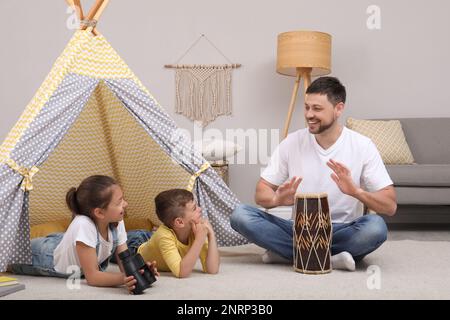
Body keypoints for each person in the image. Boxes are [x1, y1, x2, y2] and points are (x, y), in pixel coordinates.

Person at [230, 76, 397, 271]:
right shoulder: (292, 142)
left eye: (317, 109)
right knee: (240, 215)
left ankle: (290, 254)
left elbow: (390, 206)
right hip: (298, 229)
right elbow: (261, 193)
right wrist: (277, 199)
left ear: (338, 108)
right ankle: (332, 258)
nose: (309, 114)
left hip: (342, 229)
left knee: (376, 227)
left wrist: (356, 192)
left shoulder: (362, 145)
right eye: (307, 107)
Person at [10, 175, 158, 293]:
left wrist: (140, 271)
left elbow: (125, 261)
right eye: (119, 202)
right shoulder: (83, 225)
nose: (125, 204)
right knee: (7, 255)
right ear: (99, 212)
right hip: (42, 256)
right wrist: (124, 278)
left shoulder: (116, 220)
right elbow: (92, 277)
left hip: (70, 245)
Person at [137, 189, 220, 278]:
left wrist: (211, 235)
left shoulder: (195, 230)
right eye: (194, 208)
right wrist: (199, 239)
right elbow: (181, 272)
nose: (200, 209)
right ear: (180, 222)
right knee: (125, 243)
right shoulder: (164, 236)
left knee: (152, 236)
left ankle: (151, 234)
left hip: (153, 240)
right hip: (135, 248)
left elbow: (212, 269)